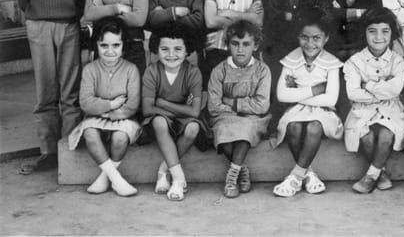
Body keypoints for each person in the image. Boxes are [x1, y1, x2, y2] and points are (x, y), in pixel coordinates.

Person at [17, 0, 89, 174]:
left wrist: (71, 20)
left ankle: (69, 150)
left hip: (69, 26)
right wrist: (39, 20)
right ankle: (48, 152)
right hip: (38, 27)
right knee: (45, 91)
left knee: (70, 91)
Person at [271, 9, 343, 197]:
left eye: (316, 38)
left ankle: (295, 176)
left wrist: (296, 94)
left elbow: (330, 99)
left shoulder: (331, 62)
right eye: (304, 37)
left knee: (314, 127)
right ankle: (308, 174)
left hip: (324, 111)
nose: (310, 44)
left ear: (326, 38)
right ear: (298, 37)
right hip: (296, 110)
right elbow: (281, 95)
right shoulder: (291, 60)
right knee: (293, 126)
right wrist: (314, 90)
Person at [67, 18, 140, 196]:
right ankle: (117, 180)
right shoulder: (90, 69)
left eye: (116, 45)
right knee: (89, 133)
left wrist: (109, 113)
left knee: (120, 137)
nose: (110, 51)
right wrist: (111, 104)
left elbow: (132, 105)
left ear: (123, 45)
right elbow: (86, 102)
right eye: (103, 45)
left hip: (124, 117)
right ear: (96, 45)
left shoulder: (131, 69)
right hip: (95, 118)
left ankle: (105, 178)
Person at [263, 0, 334, 122]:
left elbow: (323, 21)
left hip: (314, 49)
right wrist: (304, 17)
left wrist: (290, 17)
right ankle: (282, 117)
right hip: (284, 50)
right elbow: (273, 30)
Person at [343, 8, 404, 193]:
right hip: (362, 109)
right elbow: (353, 93)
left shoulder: (398, 62)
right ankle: (381, 173)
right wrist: (383, 89)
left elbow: (395, 90)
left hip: (391, 109)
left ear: (392, 33)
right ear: (364, 33)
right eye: (372, 31)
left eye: (385, 31)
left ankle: (371, 176)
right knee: (366, 136)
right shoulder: (354, 62)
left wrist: (368, 85)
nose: (379, 37)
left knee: (386, 134)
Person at [207, 20, 271, 198]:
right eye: (235, 44)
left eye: (246, 44)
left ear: (255, 46)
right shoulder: (219, 71)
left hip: (253, 119)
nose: (240, 50)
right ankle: (242, 171)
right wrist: (239, 111)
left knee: (244, 128)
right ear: (228, 45)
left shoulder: (262, 70)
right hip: (224, 118)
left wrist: (232, 103)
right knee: (224, 135)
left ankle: (231, 177)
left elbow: (262, 105)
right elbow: (214, 106)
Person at [141, 24, 205, 201]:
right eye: (164, 49)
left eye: (178, 49)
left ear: (187, 50)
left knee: (193, 128)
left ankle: (163, 171)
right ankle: (178, 178)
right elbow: (147, 109)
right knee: (159, 121)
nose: (171, 54)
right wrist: (179, 111)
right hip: (163, 118)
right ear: (156, 49)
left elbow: (194, 112)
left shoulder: (193, 73)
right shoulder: (152, 71)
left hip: (182, 119)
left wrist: (162, 103)